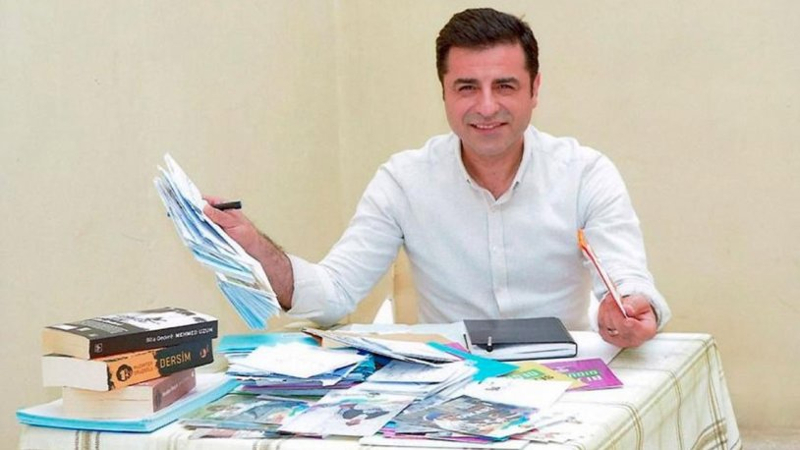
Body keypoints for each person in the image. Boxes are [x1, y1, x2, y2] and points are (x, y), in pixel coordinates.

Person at [204, 8, 671, 348]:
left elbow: (629, 282)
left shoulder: (585, 173)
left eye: (504, 86)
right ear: (444, 93)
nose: (486, 107)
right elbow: (334, 294)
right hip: (451, 385)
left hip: (565, 377)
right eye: (467, 87)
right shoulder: (404, 181)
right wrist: (256, 247)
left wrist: (632, 309)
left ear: (535, 89)